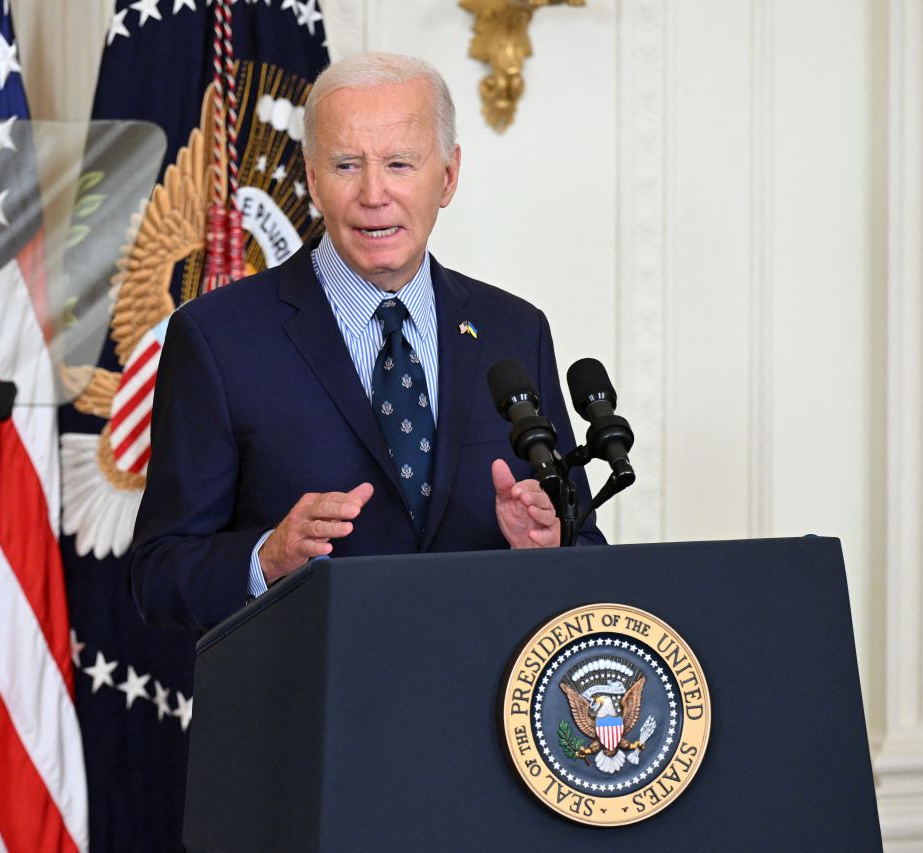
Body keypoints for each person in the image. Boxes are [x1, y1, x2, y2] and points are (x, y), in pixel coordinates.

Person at [129, 52, 604, 632]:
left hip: (480, 705)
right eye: (347, 165)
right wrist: (266, 559)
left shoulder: (514, 330)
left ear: (448, 176)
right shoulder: (217, 339)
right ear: (311, 178)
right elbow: (157, 577)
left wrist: (549, 548)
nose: (374, 194)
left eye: (400, 164)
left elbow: (584, 544)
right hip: (308, 710)